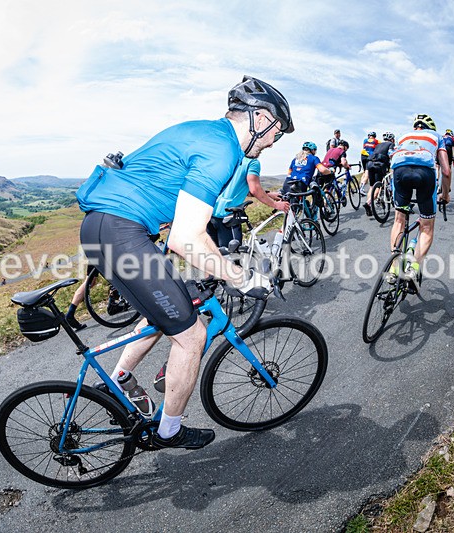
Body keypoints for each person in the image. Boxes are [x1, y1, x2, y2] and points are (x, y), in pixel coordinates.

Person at [76, 75, 293, 450]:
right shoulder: (223, 151)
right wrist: (242, 278)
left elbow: (184, 219)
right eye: (277, 130)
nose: (275, 140)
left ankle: (117, 380)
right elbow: (185, 238)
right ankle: (169, 431)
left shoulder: (201, 131)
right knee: (191, 336)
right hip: (123, 232)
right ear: (259, 118)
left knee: (171, 309)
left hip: (103, 226)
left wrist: (214, 266)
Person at [388, 114, 451, 289]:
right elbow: (445, 171)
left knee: (399, 220)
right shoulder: (437, 137)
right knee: (427, 227)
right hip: (425, 173)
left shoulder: (403, 136)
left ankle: (394, 268)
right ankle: (412, 268)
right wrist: (445, 195)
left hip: (400, 171)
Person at [209, 157, 289, 248]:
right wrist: (276, 205)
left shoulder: (230, 157)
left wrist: (269, 194)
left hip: (210, 213)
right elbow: (255, 189)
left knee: (213, 254)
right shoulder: (252, 162)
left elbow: (242, 189)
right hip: (227, 215)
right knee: (233, 256)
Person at [363, 132, 395, 216]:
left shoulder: (378, 145)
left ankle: (369, 206)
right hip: (379, 164)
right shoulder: (391, 144)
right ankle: (368, 203)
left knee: (372, 186)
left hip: (370, 163)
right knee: (379, 185)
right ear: (392, 139)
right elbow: (391, 155)